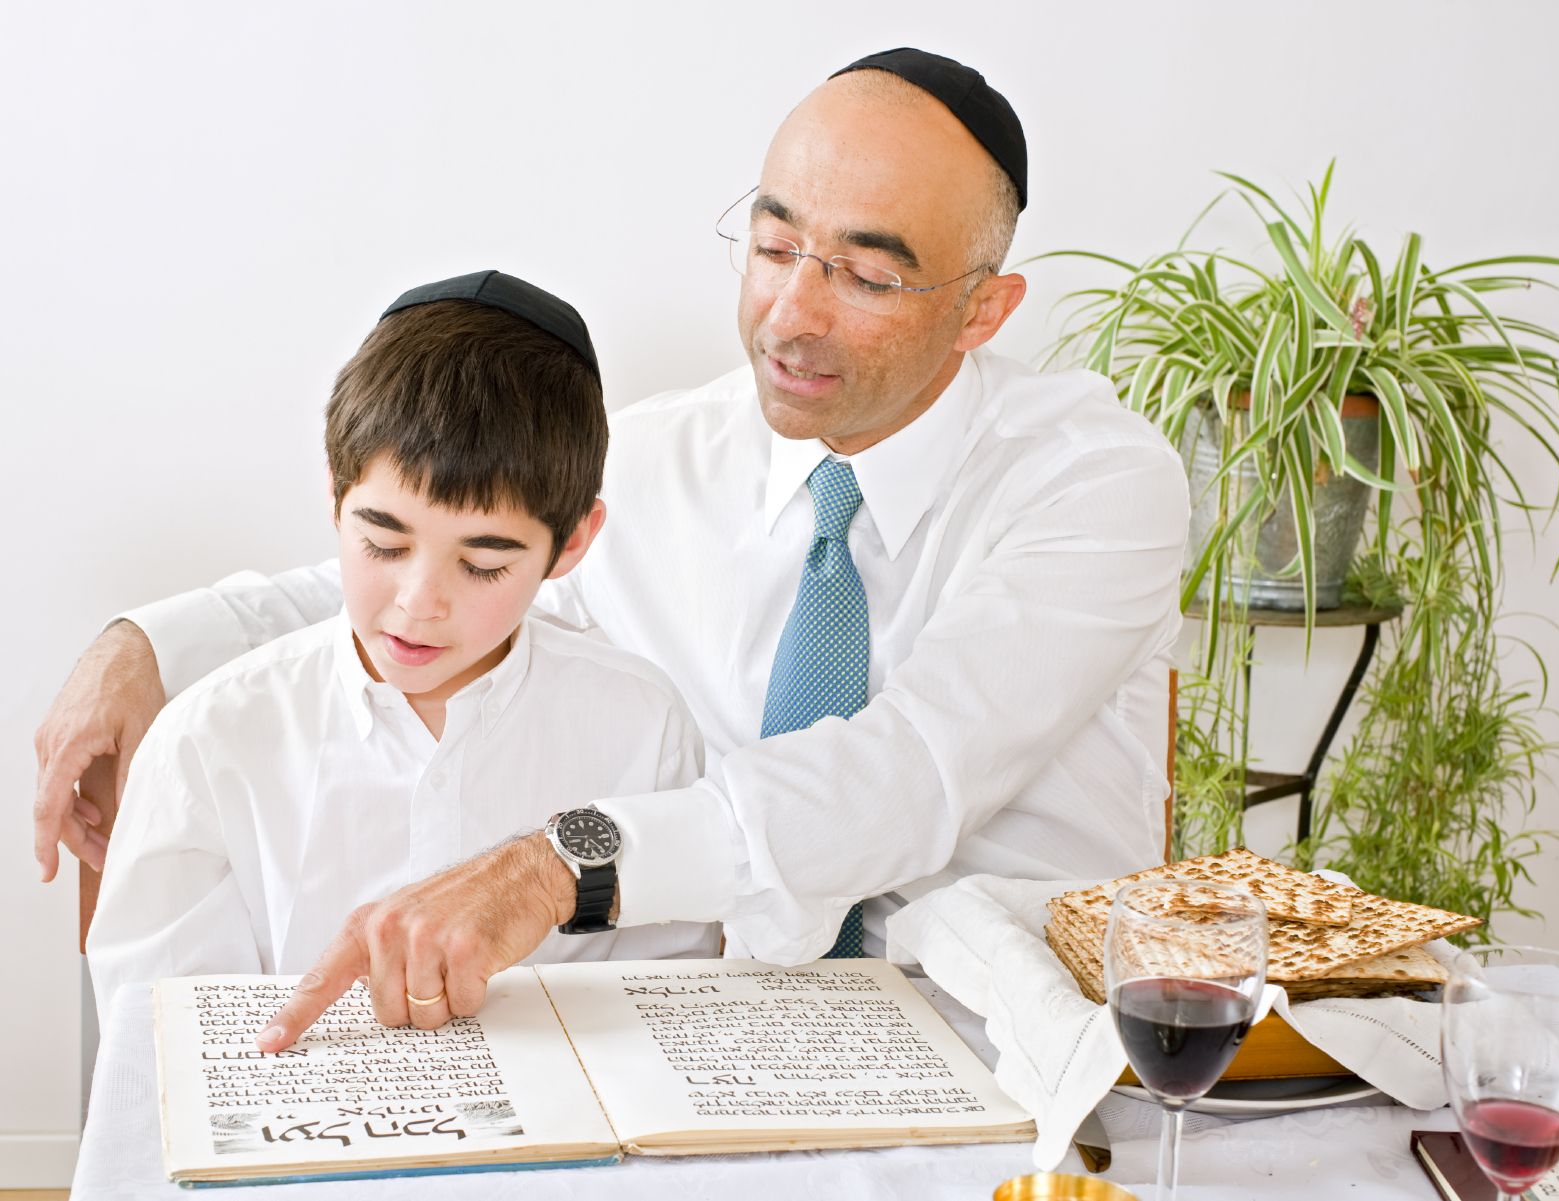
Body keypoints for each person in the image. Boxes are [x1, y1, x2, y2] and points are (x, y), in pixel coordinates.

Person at [37, 49, 1190, 1049]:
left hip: (1005, 1031)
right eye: (775, 243)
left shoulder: (1093, 482)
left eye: (869, 275)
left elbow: (907, 771)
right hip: (722, 1029)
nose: (792, 314)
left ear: (983, 310)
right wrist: (147, 644)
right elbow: (437, 568)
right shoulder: (658, 460)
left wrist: (558, 863)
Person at [85, 271, 720, 1023]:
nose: (419, 603)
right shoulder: (209, 743)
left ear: (573, 543)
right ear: (333, 498)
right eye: (383, 542)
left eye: (483, 563)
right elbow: (164, 1045)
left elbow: (668, 1015)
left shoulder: (643, 726)